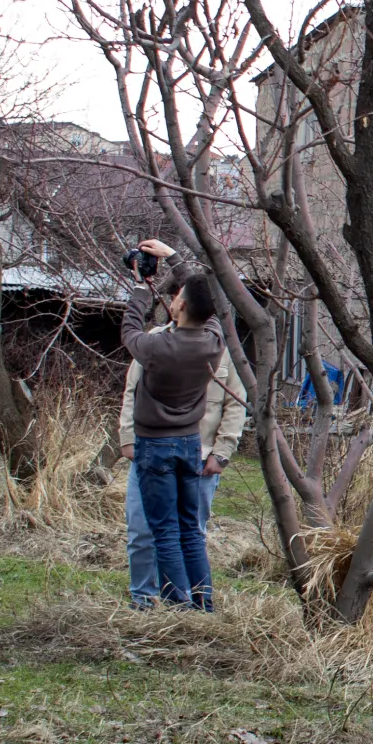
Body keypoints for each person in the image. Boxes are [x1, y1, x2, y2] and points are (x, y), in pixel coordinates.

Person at [121, 241, 226, 612]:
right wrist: (174, 259)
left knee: (163, 530)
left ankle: (179, 605)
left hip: (155, 447)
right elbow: (207, 301)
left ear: (179, 305)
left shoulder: (156, 347)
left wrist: (138, 287)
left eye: (179, 294)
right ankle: (202, 602)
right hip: (189, 444)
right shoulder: (213, 342)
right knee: (189, 532)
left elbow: (130, 328)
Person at [120, 340, 249, 609]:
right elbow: (132, 392)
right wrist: (129, 440)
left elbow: (236, 402)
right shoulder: (153, 342)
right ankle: (144, 599)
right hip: (150, 454)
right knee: (142, 531)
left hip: (199, 461)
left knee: (190, 534)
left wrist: (222, 451)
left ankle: (189, 604)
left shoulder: (224, 350)